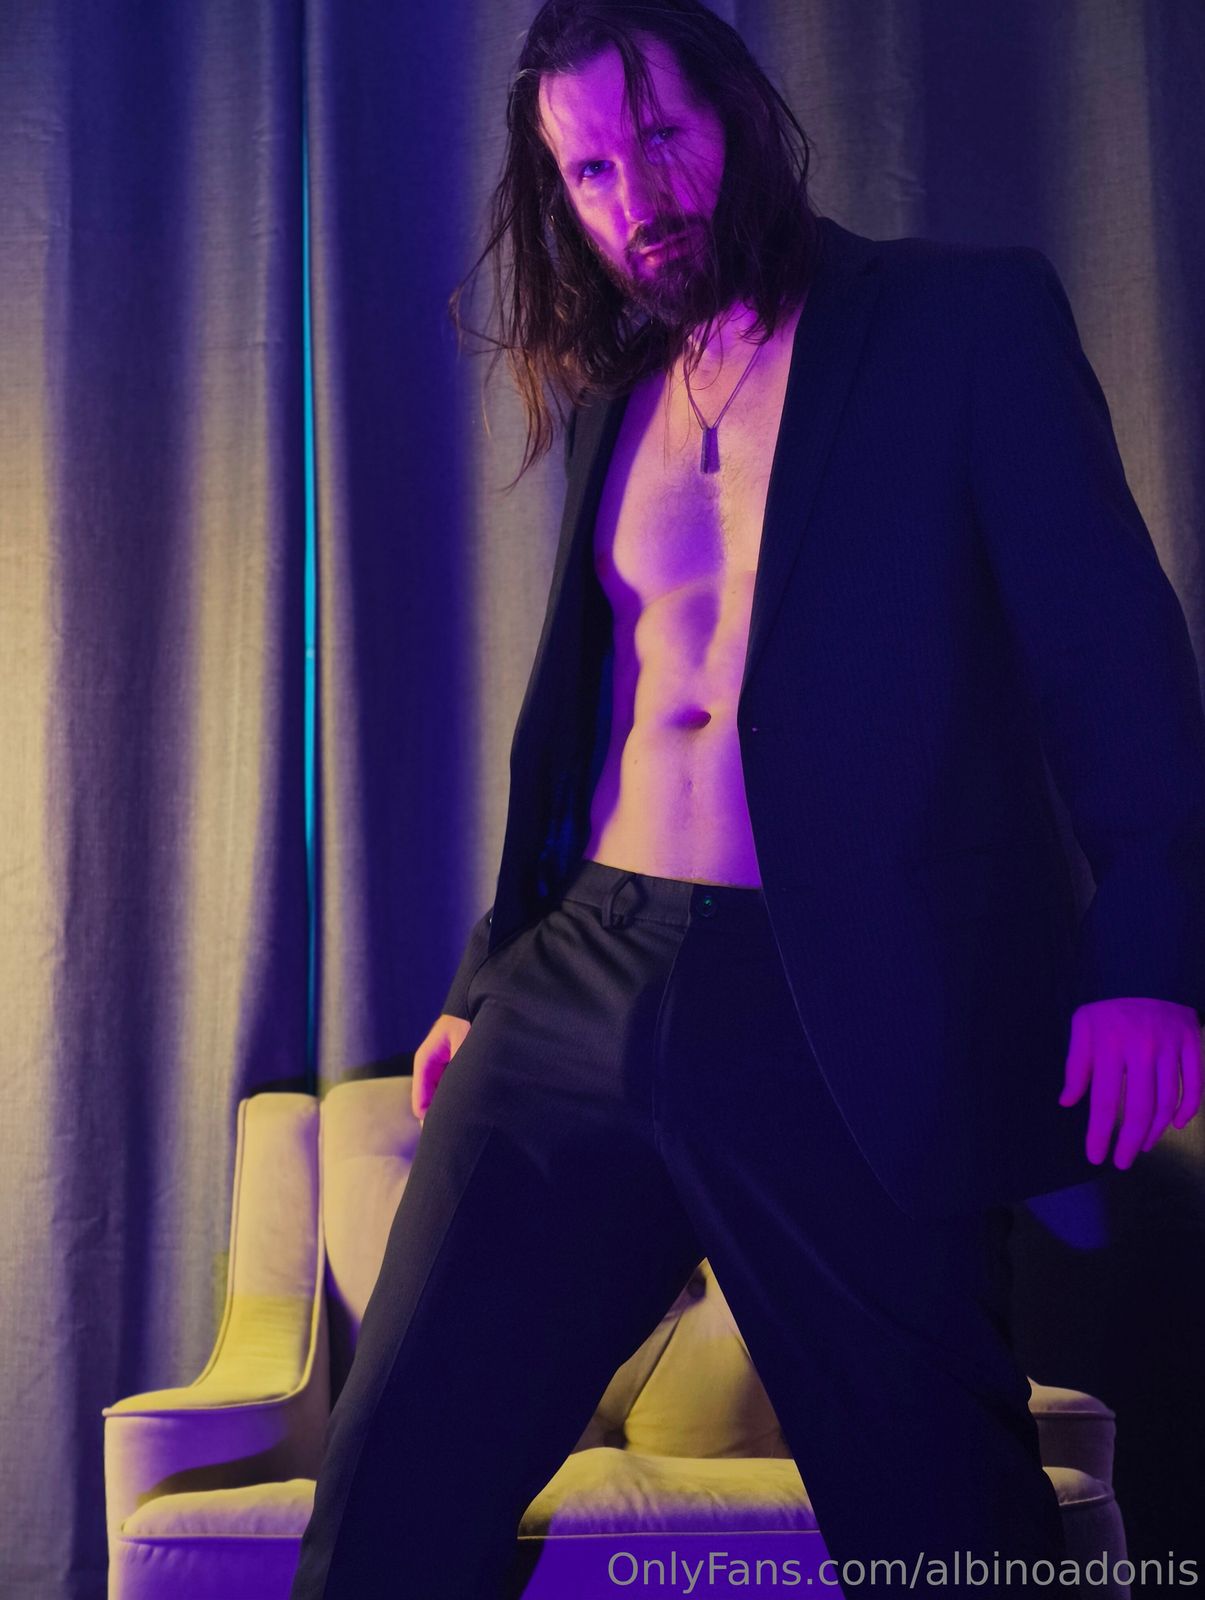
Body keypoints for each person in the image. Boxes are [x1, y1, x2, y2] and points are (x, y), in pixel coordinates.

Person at [291, 2, 1205, 1595]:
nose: (634, 194)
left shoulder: (956, 324)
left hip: (841, 995)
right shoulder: (616, 393)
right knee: (390, 1504)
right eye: (588, 169)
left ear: (737, 113)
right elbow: (590, 721)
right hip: (576, 982)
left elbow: (1109, 656)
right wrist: (484, 977)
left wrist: (1145, 958)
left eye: (657, 134)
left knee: (945, 1531)